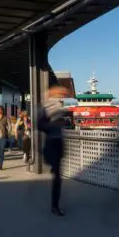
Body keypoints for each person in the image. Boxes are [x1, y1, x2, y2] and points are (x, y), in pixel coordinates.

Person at [38, 86, 69, 216]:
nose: (63, 96)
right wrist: (54, 125)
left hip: (57, 144)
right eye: (61, 94)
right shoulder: (47, 107)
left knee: (57, 176)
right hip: (52, 144)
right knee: (57, 178)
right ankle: (54, 207)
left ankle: (55, 206)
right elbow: (40, 125)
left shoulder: (59, 107)